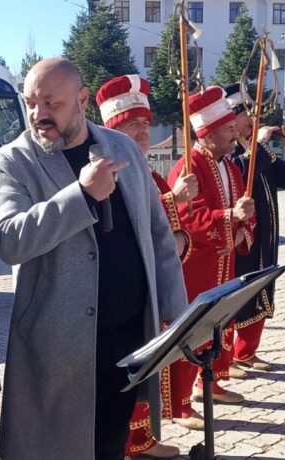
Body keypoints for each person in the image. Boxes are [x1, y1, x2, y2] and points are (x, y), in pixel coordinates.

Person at [0, 58, 188, 459]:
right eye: (30, 103)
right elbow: (8, 240)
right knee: (60, 449)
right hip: (60, 350)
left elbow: (158, 237)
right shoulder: (11, 161)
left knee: (111, 442)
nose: (38, 115)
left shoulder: (122, 147)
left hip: (129, 336)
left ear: (81, 99)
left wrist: (178, 318)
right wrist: (80, 196)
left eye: (51, 103)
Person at [96, 74, 195, 459]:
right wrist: (174, 199)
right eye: (133, 124)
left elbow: (167, 238)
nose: (143, 132)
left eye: (145, 124)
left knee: (142, 368)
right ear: (114, 128)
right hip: (115, 298)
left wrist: (181, 239)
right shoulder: (108, 170)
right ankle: (124, 445)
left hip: (147, 292)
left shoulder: (149, 172)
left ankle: (140, 440)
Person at [167, 85, 256, 413]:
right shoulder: (189, 166)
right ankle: (180, 405)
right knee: (193, 330)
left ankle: (212, 385)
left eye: (234, 128)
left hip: (224, 262)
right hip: (197, 266)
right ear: (207, 133)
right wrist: (230, 217)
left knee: (218, 327)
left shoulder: (229, 165)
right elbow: (191, 218)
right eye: (229, 130)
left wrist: (244, 219)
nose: (236, 135)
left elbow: (245, 208)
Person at [224, 82, 285, 373]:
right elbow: (242, 174)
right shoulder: (229, 151)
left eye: (251, 111)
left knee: (262, 289)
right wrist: (257, 145)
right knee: (238, 295)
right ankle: (227, 356)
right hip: (241, 237)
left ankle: (246, 352)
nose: (251, 117)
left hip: (267, 236)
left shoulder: (255, 149)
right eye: (244, 112)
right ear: (229, 118)